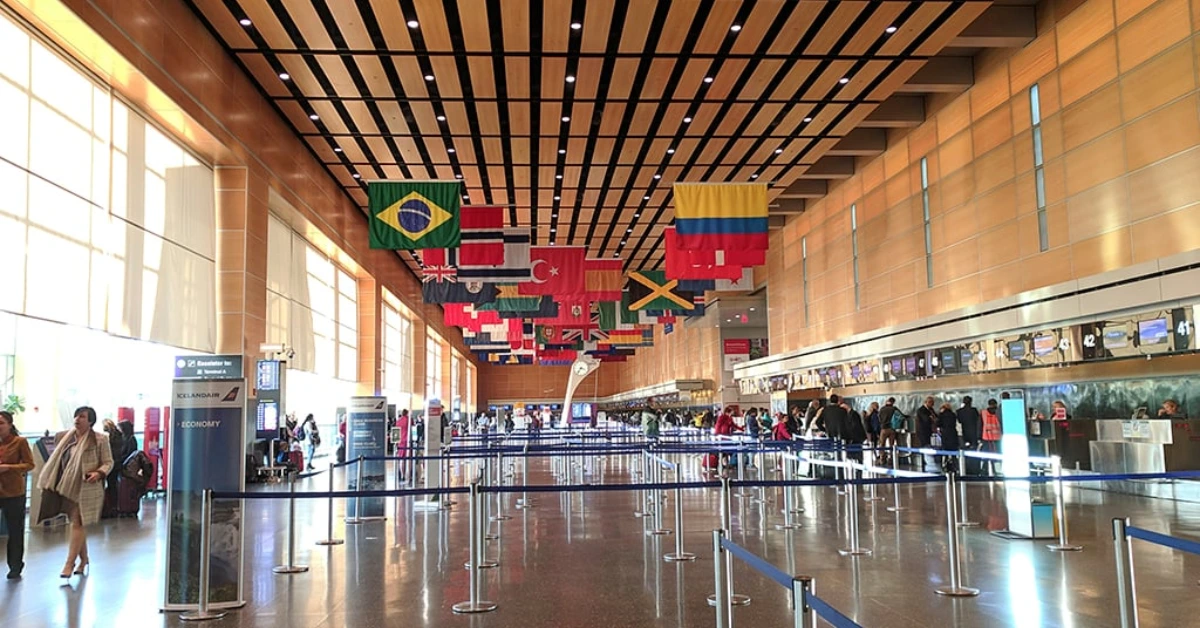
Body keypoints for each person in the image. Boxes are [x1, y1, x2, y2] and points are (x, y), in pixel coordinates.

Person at [37, 407, 113, 579]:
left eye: (82, 416)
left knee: (78, 523)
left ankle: (69, 564)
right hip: (67, 486)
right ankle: (84, 559)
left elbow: (108, 462)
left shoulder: (100, 440)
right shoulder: (65, 437)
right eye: (76, 416)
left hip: (88, 487)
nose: (77, 419)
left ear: (90, 421)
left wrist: (99, 473)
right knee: (78, 524)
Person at [0, 411, 34, 579]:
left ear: (10, 424)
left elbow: (30, 464)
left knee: (15, 530)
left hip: (13, 491)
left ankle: (15, 565)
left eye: (1, 423)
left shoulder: (20, 442)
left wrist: (9, 468)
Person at [101, 419, 123, 518]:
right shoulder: (119, 436)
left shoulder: (106, 437)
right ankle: (114, 507)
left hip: (109, 463)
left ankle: (106, 508)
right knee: (113, 486)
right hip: (117, 463)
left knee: (104, 486)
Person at [937, 403, 960, 473]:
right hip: (953, 434)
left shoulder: (941, 415)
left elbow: (938, 424)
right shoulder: (953, 414)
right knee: (954, 452)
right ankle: (955, 467)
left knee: (945, 452)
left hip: (945, 435)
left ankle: (944, 466)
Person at [916, 397, 937, 471]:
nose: (933, 405)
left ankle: (928, 463)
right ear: (927, 402)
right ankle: (923, 464)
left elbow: (935, 417)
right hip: (922, 432)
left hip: (929, 432)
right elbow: (926, 419)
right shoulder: (921, 410)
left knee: (928, 446)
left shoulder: (931, 410)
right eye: (931, 403)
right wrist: (931, 418)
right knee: (924, 447)